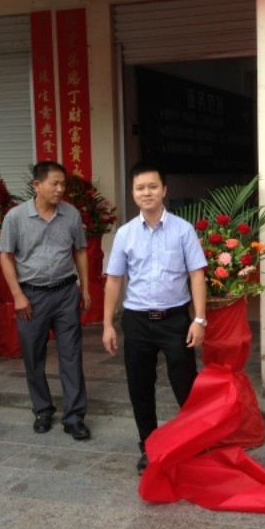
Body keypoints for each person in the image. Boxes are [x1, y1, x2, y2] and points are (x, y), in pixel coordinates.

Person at [102, 161, 207, 474]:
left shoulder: (183, 230)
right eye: (140, 188)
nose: (146, 192)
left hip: (175, 319)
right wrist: (107, 324)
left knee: (185, 384)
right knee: (140, 386)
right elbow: (114, 280)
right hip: (137, 321)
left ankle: (194, 443)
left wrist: (199, 319)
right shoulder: (125, 234)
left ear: (164, 190)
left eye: (152, 186)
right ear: (133, 192)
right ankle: (148, 445)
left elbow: (197, 274)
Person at [0, 161, 91, 440]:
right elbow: (5, 256)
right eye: (55, 183)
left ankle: (74, 417)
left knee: (71, 355)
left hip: (65, 293)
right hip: (31, 296)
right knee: (33, 355)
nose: (60, 189)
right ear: (37, 185)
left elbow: (80, 250)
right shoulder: (16, 217)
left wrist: (85, 288)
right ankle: (42, 410)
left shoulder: (71, 214)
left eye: (63, 183)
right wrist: (18, 295)